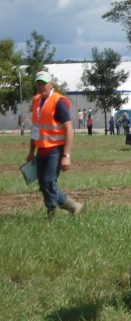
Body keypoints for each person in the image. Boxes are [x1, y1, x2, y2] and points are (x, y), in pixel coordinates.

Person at [26, 71, 83, 217]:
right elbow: (36, 128)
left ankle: (53, 213)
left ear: (51, 84)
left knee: (49, 182)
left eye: (44, 83)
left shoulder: (59, 102)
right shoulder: (37, 101)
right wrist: (31, 151)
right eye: (38, 83)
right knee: (43, 185)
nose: (41, 86)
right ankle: (73, 206)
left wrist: (66, 155)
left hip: (56, 150)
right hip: (42, 149)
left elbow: (69, 129)